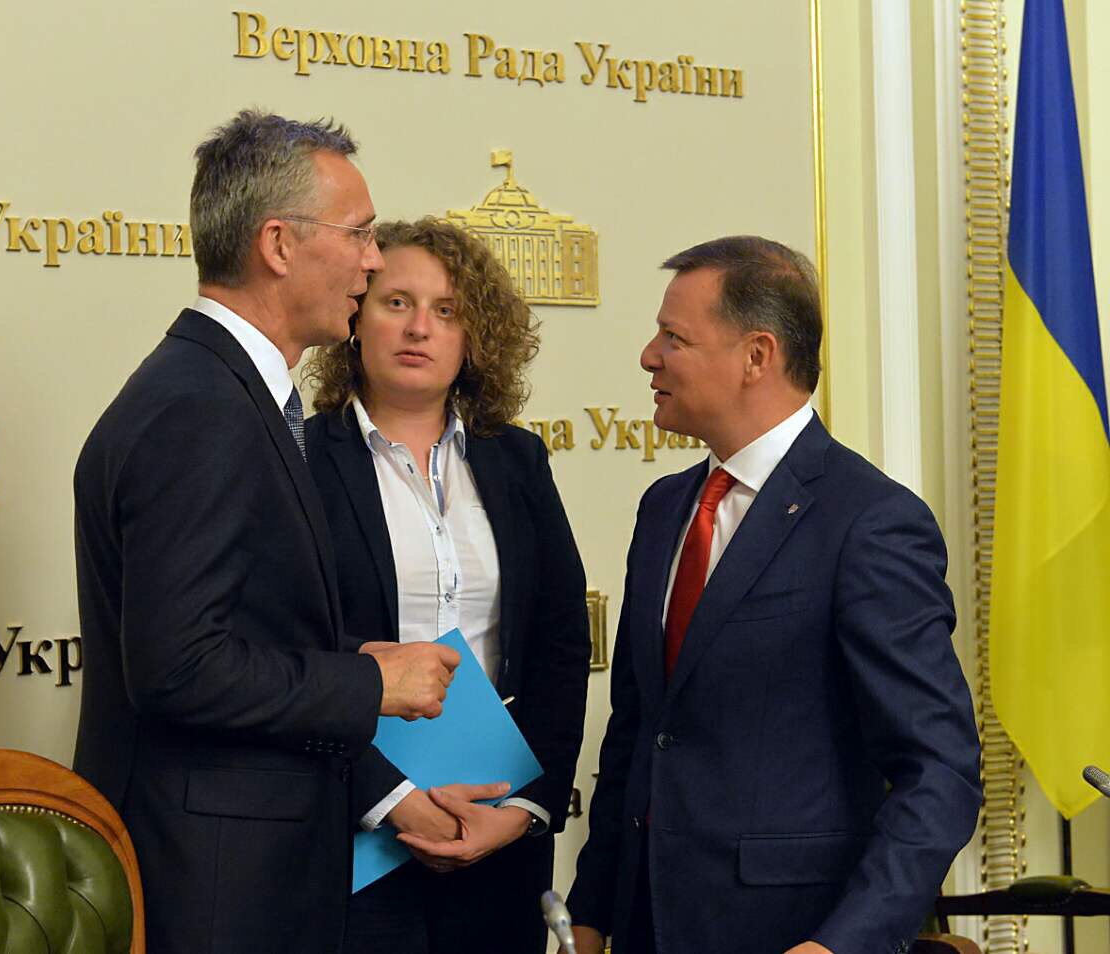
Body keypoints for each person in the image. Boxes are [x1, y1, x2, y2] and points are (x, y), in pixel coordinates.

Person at [71, 111, 461, 954]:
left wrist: (351, 658)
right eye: (358, 234)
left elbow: (233, 627)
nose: (373, 260)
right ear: (278, 245)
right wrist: (368, 684)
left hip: (240, 868)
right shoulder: (201, 407)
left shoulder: (221, 389)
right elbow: (177, 667)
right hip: (213, 884)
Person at [565, 236, 982, 954]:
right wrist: (590, 915)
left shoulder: (870, 521)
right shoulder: (664, 508)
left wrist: (843, 944)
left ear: (756, 356)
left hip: (791, 933)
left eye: (674, 338)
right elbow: (638, 735)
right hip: (643, 927)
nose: (648, 357)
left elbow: (938, 770)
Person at [302, 218, 591, 954]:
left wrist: (525, 809)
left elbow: (561, 646)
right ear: (355, 317)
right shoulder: (301, 458)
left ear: (474, 337)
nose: (419, 328)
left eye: (446, 310)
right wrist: (390, 798)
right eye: (396, 302)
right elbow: (290, 651)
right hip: (351, 827)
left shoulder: (518, 460)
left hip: (496, 827)